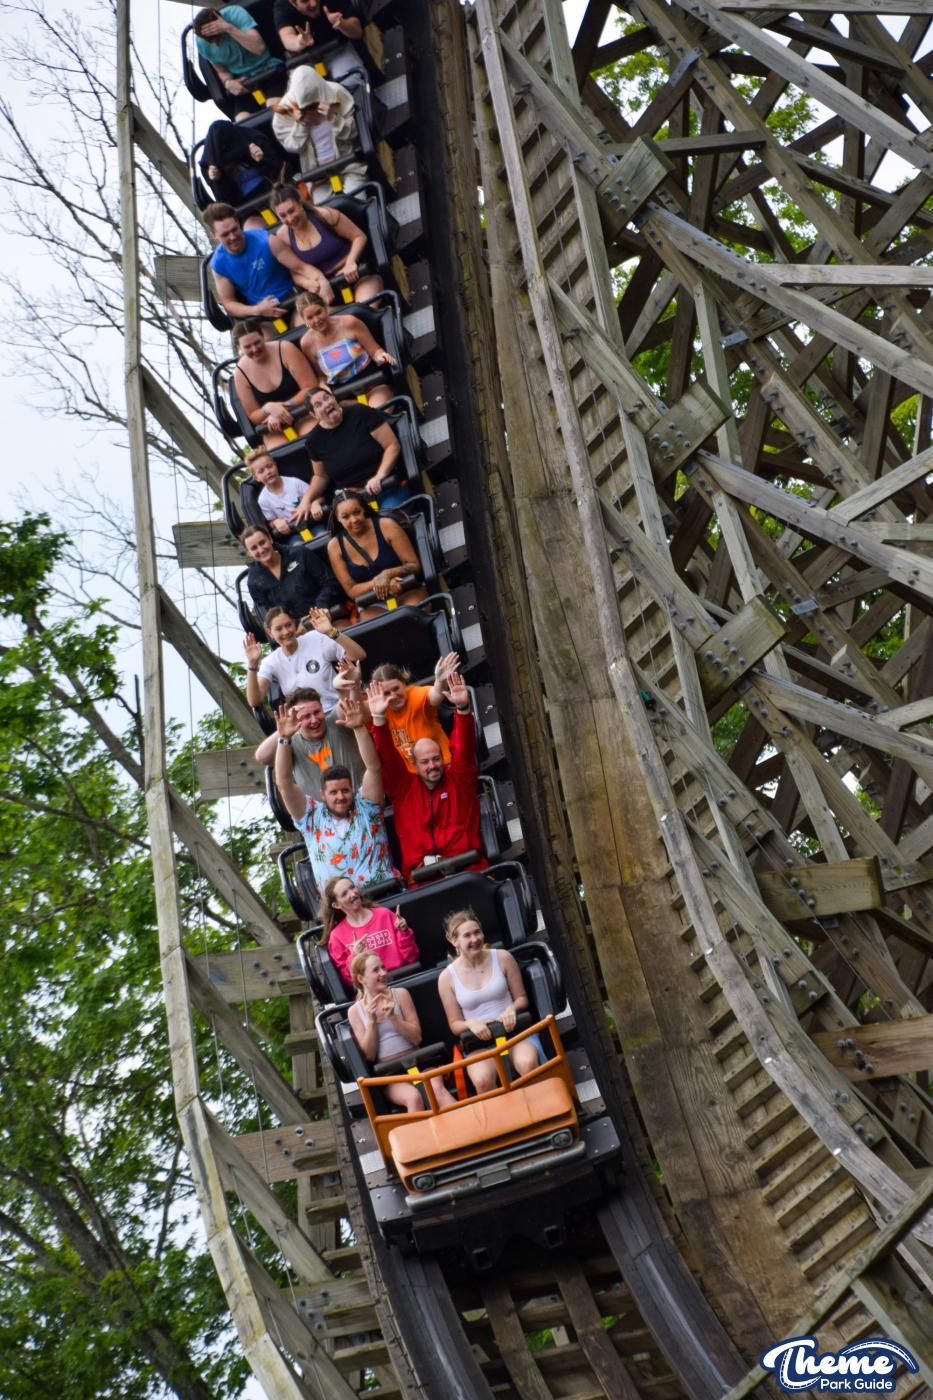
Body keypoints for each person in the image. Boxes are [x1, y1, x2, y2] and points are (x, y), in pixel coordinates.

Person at [369, 672, 486, 885]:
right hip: (422, 880)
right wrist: (378, 719)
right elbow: (387, 756)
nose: (432, 766)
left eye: (436, 759)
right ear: (414, 764)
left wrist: (462, 709)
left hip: (467, 869)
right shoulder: (404, 789)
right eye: (424, 762)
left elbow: (464, 748)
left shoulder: (459, 780)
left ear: (442, 758)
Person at [274, 695, 400, 890]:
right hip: (340, 903)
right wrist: (283, 739)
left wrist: (359, 728)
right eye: (333, 793)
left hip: (384, 892)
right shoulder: (312, 819)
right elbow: (284, 783)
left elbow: (373, 768)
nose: (340, 797)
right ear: (322, 794)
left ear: (352, 790)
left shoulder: (367, 808)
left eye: (345, 790)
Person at [437, 910, 541, 1094]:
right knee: (482, 1080)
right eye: (467, 935)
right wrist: (470, 1023)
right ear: (455, 941)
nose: (475, 939)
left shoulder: (503, 957)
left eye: (477, 932)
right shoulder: (447, 978)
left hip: (513, 1033)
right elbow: (454, 1024)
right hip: (480, 1043)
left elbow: (522, 999)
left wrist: (511, 1008)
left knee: (527, 1063)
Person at [348, 953, 455, 1111]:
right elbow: (369, 1055)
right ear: (361, 978)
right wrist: (371, 1022)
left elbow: (416, 1038)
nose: (383, 973)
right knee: (413, 1098)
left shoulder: (400, 994)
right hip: (390, 1073)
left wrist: (394, 1018)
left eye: (383, 968)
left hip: (418, 1062)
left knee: (436, 1090)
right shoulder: (355, 1012)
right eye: (376, 970)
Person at [295, 387, 408, 527]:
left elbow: (392, 445)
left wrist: (379, 476)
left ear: (334, 398)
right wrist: (307, 499)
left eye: (326, 398)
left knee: (387, 523)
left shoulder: (361, 412)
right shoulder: (313, 441)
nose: (326, 404)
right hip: (352, 499)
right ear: (314, 415)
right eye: (318, 405)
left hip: (386, 485)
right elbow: (321, 476)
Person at [270, 187, 383, 305]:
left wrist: (350, 262)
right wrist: (306, 283)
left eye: (292, 211)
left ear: (300, 204)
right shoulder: (283, 236)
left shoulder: (325, 215)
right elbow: (295, 271)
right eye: (283, 216)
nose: (290, 218)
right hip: (324, 287)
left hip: (356, 273)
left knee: (364, 307)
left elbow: (359, 236)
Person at [326, 490, 425, 619]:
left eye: (357, 512)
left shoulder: (386, 525)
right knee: (380, 627)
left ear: (364, 509)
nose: (354, 520)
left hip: (406, 588)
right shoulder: (334, 547)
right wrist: (378, 583)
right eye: (346, 517)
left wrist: (388, 574)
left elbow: (414, 565)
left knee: (411, 616)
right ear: (338, 518)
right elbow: (351, 590)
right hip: (372, 602)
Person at [244, 606, 365, 711]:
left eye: (288, 625)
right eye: (279, 629)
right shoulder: (271, 661)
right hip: (306, 720)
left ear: (294, 624)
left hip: (337, 708)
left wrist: (331, 631)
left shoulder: (315, 638)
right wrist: (252, 664)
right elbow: (254, 701)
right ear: (270, 632)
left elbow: (359, 655)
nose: (285, 632)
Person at [272, 66, 367, 200]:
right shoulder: (284, 112)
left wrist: (333, 118)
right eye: (306, 107)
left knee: (357, 200)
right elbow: (292, 147)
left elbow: (354, 132)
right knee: (325, 209)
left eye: (314, 104)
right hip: (317, 176)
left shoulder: (336, 92)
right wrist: (302, 124)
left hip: (348, 163)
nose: (312, 109)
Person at [254, 686, 363, 798]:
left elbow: (349, 703)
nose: (314, 720)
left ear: (322, 708)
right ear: (295, 719)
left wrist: (350, 684)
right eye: (306, 716)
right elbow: (261, 757)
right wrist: (282, 733)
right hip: (321, 808)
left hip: (362, 801)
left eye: (317, 712)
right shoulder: (290, 742)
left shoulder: (335, 721)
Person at [204, 204, 298, 324]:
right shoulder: (219, 264)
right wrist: (257, 310)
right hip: (262, 314)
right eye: (225, 234)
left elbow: (299, 267)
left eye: (234, 230)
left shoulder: (263, 239)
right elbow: (228, 303)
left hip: (292, 297)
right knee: (258, 334)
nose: (232, 237)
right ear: (214, 235)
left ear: (238, 223)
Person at [320, 877, 419, 989]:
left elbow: (412, 958)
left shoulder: (384, 914)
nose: (352, 894)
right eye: (344, 894)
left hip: (402, 980)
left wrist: (404, 932)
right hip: (372, 991)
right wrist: (355, 957)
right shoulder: (336, 936)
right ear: (336, 905)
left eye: (352, 887)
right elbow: (350, 981)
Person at [233, 321, 318, 448]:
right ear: (239, 347)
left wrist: (283, 408)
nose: (254, 349)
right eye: (248, 347)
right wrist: (268, 408)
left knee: (313, 436)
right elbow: (253, 415)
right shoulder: (240, 373)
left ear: (263, 336)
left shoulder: (285, 349)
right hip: (272, 424)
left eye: (257, 342)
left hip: (303, 410)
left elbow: (310, 386)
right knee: (279, 449)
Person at [193, 6, 287, 120]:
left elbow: (259, 48)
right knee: (242, 121)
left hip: (268, 71)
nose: (216, 44)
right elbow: (222, 71)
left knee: (274, 110)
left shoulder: (235, 14)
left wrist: (229, 28)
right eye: (210, 40)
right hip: (244, 83)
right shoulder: (202, 43)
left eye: (216, 37)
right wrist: (228, 82)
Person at [366, 654, 457, 772]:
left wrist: (440, 681)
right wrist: (352, 688)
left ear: (404, 683)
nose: (394, 696)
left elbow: (436, 694)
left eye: (396, 689)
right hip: (411, 777)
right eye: (387, 693)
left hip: (441, 768)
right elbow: (355, 713)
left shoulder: (415, 695)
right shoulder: (378, 706)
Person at [297, 292, 394, 402]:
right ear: (304, 321)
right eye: (310, 317)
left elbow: (375, 350)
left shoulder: (349, 322)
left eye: (318, 312)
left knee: (376, 409)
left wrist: (381, 356)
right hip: (342, 393)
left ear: (325, 308)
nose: (316, 320)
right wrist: (322, 385)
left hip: (371, 381)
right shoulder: (306, 343)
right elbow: (321, 376)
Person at [242, 524, 343, 622]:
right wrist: (295, 623)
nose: (261, 550)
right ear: (248, 552)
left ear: (270, 539)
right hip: (293, 629)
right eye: (254, 548)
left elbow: (330, 582)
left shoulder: (300, 553)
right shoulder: (254, 581)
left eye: (262, 542)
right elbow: (270, 616)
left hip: (328, 614)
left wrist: (321, 605)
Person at [199, 122, 290, 223]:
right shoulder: (210, 165)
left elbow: (277, 168)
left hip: (272, 190)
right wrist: (217, 181)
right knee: (253, 227)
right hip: (246, 208)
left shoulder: (251, 140)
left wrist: (261, 159)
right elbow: (226, 203)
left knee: (285, 210)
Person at [275, 0, 362, 79]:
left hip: (338, 50)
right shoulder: (282, 6)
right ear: (293, 3)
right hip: (305, 60)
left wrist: (342, 24)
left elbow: (358, 32)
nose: (313, 3)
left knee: (351, 79)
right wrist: (299, 41)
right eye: (305, 1)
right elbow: (287, 39)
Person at [244, 449, 311, 535]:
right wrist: (275, 522)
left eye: (269, 466)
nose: (268, 472)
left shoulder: (294, 483)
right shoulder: (263, 500)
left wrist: (315, 503)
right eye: (261, 471)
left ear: (275, 465)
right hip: (292, 533)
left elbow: (316, 496)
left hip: (311, 522)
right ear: (256, 478)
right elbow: (271, 521)